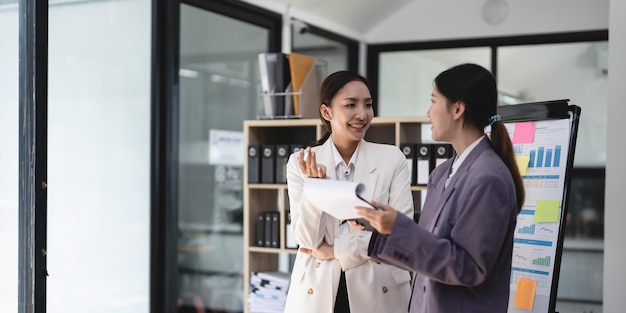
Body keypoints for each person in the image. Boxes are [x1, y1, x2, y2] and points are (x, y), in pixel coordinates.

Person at [356, 63, 525, 313]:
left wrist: (398, 228)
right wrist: (382, 228)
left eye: (433, 101)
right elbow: (429, 250)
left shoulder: (488, 178)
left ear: (457, 109)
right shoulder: (442, 172)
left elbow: (469, 267)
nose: (428, 113)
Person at [283, 70, 413, 313]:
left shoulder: (392, 159)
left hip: (379, 288)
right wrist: (315, 186)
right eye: (351, 105)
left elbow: (398, 234)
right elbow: (306, 240)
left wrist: (334, 250)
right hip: (319, 289)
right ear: (326, 112)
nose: (362, 114)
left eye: (368, 104)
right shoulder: (301, 162)